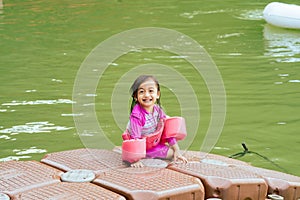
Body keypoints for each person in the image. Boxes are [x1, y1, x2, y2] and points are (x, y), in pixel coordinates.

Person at [125, 75, 187, 167]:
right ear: (135, 96)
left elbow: (167, 132)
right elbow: (135, 138)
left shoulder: (158, 110)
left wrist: (177, 150)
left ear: (157, 94)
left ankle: (151, 154)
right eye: (142, 92)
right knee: (169, 154)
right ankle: (144, 155)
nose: (146, 95)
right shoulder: (137, 116)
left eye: (150, 91)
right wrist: (135, 160)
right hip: (140, 148)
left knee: (172, 152)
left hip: (153, 145)